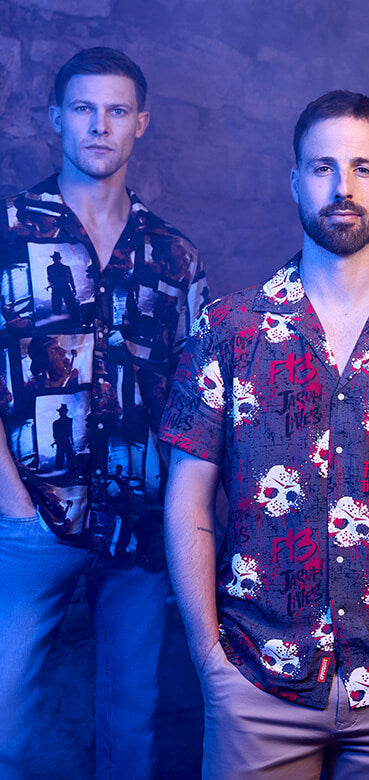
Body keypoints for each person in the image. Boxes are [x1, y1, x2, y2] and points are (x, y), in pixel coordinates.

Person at [160, 90, 369, 780]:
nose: (342, 187)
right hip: (256, 684)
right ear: (295, 179)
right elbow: (187, 503)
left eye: (363, 168)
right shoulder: (231, 330)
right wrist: (209, 661)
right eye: (322, 167)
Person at [0, 47, 208, 779]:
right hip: (30, 514)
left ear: (140, 124)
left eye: (116, 110)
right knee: (8, 729)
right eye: (83, 108)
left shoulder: (174, 256)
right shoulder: (10, 229)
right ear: (55, 117)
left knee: (133, 725)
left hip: (139, 520)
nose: (99, 125)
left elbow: (195, 401)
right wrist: (11, 498)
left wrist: (180, 509)